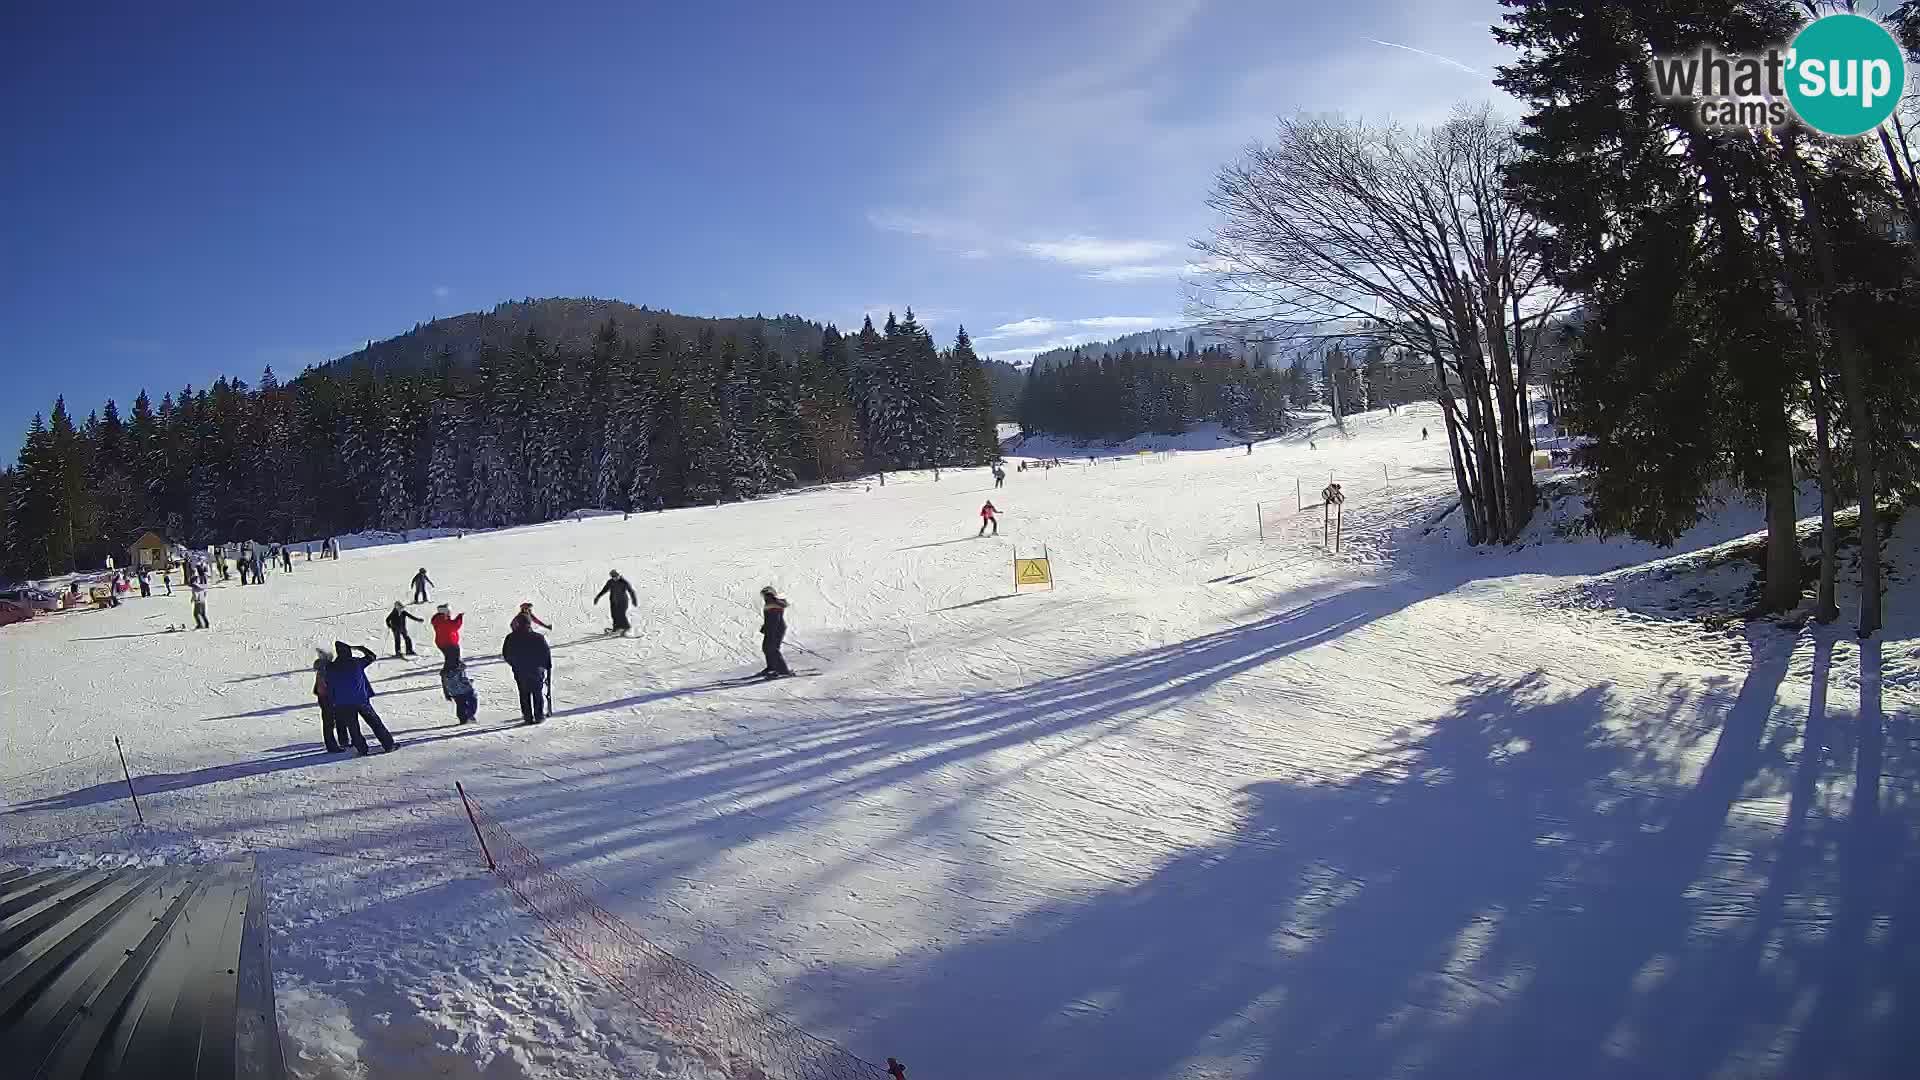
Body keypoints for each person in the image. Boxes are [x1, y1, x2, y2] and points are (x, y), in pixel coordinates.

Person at [323, 641, 396, 755]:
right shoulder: (356, 662)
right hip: (361, 700)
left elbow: (325, 673)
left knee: (353, 728)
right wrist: (362, 648)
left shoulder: (331, 667)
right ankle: (389, 745)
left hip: (343, 704)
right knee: (375, 723)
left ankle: (362, 750)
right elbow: (372, 657)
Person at [502, 615, 552, 724]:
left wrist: (514, 664)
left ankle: (528, 717)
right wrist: (545, 666)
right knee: (537, 693)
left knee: (524, 694)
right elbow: (545, 653)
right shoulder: (538, 637)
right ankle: (539, 716)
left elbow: (506, 654)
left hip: (520, 670)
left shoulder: (511, 637)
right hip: (536, 670)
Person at [312, 647, 342, 752]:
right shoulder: (326, 669)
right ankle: (332, 745)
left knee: (329, 722)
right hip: (328, 698)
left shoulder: (321, 669)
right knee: (330, 722)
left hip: (323, 698)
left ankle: (333, 743)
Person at [758, 586, 791, 678]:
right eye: (764, 595)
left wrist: (771, 630)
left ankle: (783, 671)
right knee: (766, 647)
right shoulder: (770, 603)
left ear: (772, 594)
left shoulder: (774, 603)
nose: (765, 596)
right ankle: (772, 667)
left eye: (767, 594)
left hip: (776, 628)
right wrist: (765, 627)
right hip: (772, 628)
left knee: (773, 649)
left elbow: (775, 619)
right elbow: (769, 618)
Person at [593, 570, 638, 635]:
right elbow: (604, 590)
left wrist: (634, 600)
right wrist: (597, 597)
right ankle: (616, 628)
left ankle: (627, 628)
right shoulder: (610, 582)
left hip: (623, 601)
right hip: (613, 601)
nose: (615, 578)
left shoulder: (624, 582)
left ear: (619, 575)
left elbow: (631, 591)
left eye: (616, 576)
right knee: (614, 615)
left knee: (621, 614)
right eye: (613, 577)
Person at [431, 604, 464, 671]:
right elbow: (454, 626)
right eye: (448, 611)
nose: (450, 613)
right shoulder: (442, 620)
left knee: (451, 659)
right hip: (448, 643)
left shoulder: (439, 619)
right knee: (453, 660)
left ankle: (455, 676)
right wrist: (459, 617)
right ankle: (451, 676)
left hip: (445, 642)